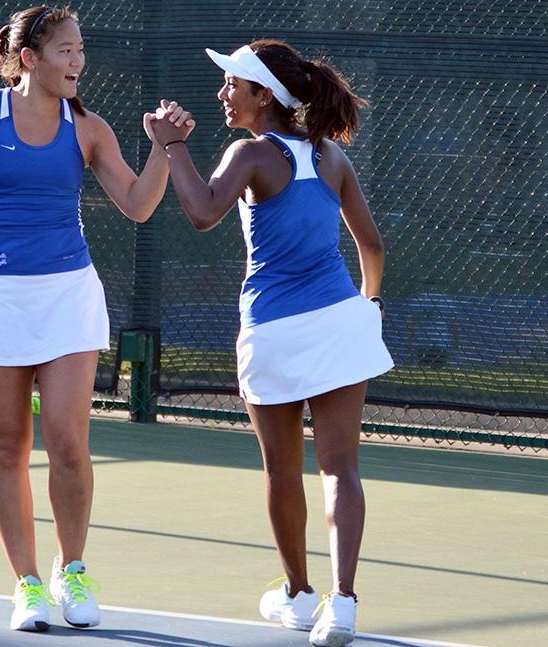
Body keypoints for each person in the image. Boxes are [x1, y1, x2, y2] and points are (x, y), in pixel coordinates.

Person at [0, 5, 192, 633]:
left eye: (80, 50)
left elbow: (139, 205)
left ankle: (74, 568)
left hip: (67, 296)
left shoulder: (89, 129)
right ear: (28, 58)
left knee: (67, 442)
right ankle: (27, 585)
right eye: (65, 51)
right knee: (7, 448)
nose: (78, 62)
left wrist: (165, 149)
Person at [148, 40, 393, 647]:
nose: (222, 94)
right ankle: (341, 603)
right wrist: (369, 304)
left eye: (233, 84)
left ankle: (300, 594)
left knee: (283, 472)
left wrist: (172, 146)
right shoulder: (330, 157)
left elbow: (203, 211)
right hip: (340, 322)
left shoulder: (251, 154)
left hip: (274, 331)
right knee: (341, 470)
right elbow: (373, 247)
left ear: (264, 95)